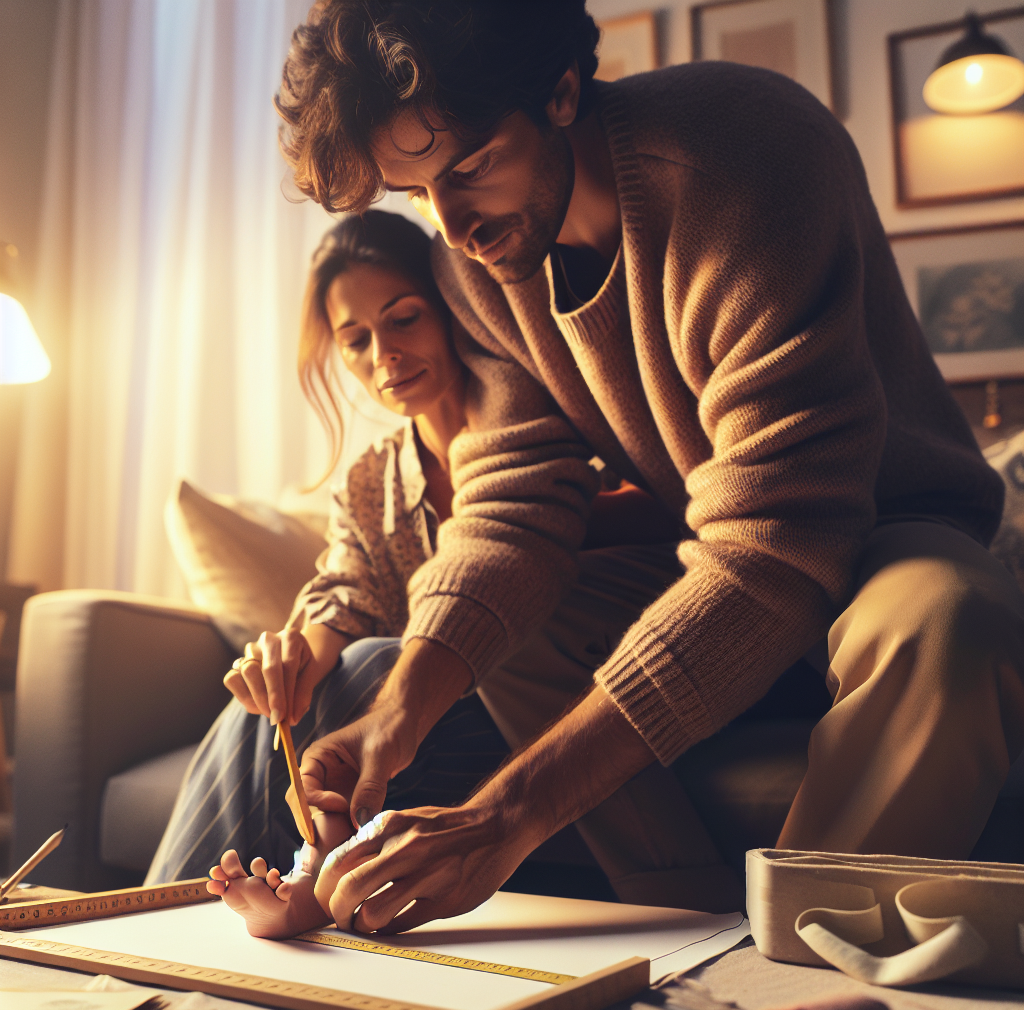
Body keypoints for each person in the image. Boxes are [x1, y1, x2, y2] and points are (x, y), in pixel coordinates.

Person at [256, 0, 1023, 939]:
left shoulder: (744, 153)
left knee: (951, 624)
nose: (451, 226)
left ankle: (798, 961)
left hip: (880, 533)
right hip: (705, 545)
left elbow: (777, 543)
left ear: (565, 92)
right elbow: (510, 510)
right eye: (414, 194)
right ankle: (683, 924)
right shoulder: (476, 276)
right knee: (500, 621)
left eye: (471, 169)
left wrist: (505, 816)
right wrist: (396, 716)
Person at [148, 208, 702, 935]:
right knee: (281, 703)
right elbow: (344, 592)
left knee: (375, 663)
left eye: (403, 319)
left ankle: (159, 932)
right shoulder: (374, 481)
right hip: (415, 736)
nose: (384, 355)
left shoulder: (540, 415)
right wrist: (291, 653)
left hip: (548, 716)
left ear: (451, 312)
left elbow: (529, 550)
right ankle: (244, 914)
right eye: (355, 341)